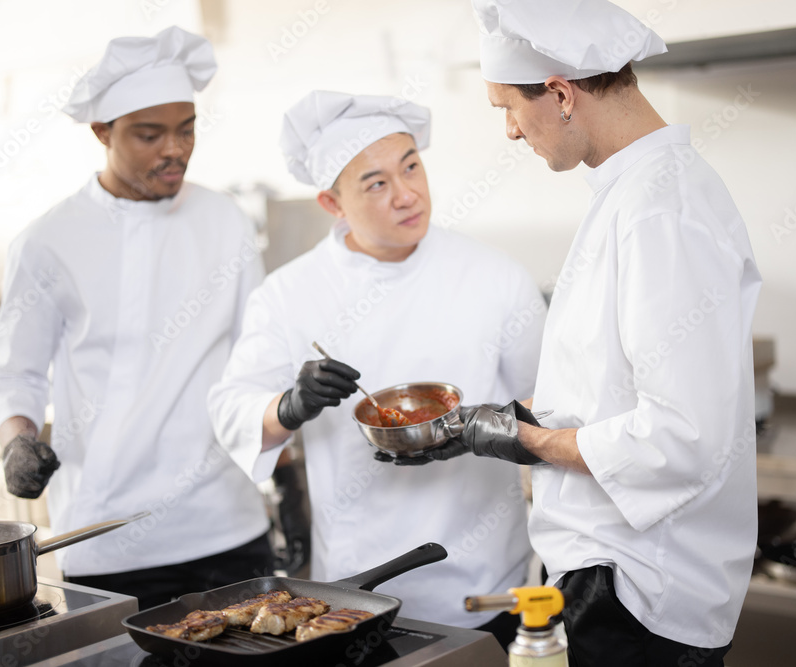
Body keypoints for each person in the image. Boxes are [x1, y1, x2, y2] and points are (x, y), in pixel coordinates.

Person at [408, 1, 763, 664]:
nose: (511, 133)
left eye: (506, 108)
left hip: (642, 593)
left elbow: (681, 437)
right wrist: (503, 426)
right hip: (616, 573)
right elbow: (615, 393)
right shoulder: (634, 194)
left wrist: (528, 438)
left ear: (562, 95)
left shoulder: (662, 211)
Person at [207, 90, 546, 647]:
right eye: (376, 183)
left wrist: (480, 429)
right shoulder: (289, 294)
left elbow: (551, 406)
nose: (407, 193)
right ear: (332, 204)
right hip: (354, 594)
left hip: (486, 582)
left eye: (412, 166)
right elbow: (231, 410)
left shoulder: (495, 277)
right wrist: (291, 406)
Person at [0, 26, 276, 609]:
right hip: (107, 537)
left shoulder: (225, 221)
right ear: (102, 132)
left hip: (228, 523)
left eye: (187, 129)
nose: (175, 149)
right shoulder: (49, 241)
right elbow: (15, 376)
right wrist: (16, 442)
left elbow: (259, 358)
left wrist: (288, 470)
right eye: (150, 134)